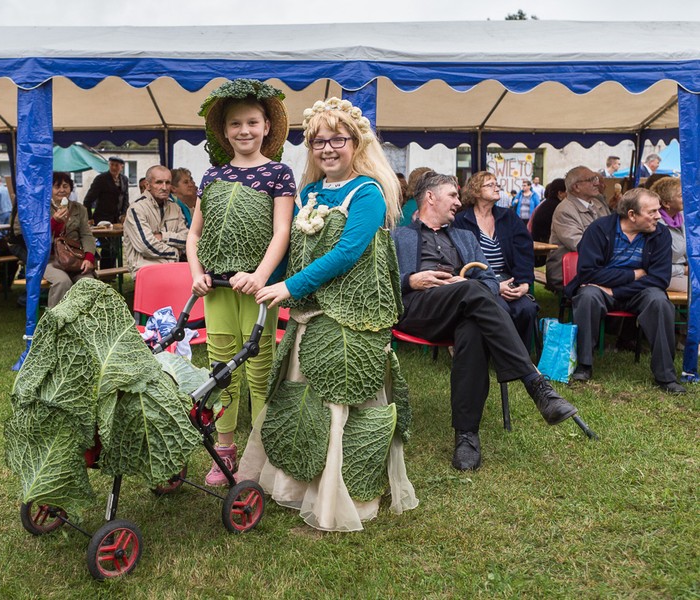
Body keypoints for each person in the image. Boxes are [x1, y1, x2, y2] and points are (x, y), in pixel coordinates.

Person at [242, 96, 418, 531]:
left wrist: (289, 287)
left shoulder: (369, 193)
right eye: (318, 141)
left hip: (350, 322)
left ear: (355, 143)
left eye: (337, 140)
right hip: (310, 317)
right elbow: (296, 251)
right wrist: (266, 278)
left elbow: (346, 253)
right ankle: (296, 487)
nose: (327, 149)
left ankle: (338, 500)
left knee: (340, 406)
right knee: (303, 402)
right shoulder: (309, 193)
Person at [392, 171, 579, 471]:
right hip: (418, 308)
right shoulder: (397, 236)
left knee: (473, 327)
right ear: (430, 197)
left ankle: (467, 437)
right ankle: (535, 384)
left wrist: (464, 284)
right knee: (470, 290)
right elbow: (380, 280)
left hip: (464, 308)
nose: (458, 201)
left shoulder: (464, 236)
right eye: (452, 195)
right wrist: (412, 279)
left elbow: (490, 280)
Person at [187, 79, 295, 488]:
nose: (244, 130)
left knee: (259, 365)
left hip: (256, 288)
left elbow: (281, 231)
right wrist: (195, 272)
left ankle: (262, 450)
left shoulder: (278, 174)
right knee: (221, 366)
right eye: (236, 124)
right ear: (225, 130)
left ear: (267, 126)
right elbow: (195, 233)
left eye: (252, 122)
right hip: (214, 287)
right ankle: (227, 448)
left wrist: (261, 276)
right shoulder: (212, 177)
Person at [566, 188, 685, 394]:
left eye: (658, 210)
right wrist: (634, 274)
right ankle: (584, 365)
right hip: (603, 289)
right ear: (632, 215)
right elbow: (587, 273)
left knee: (659, 301)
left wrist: (614, 290)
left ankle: (666, 376)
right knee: (587, 296)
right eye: (652, 212)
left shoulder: (660, 233)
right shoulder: (599, 229)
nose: (658, 216)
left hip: (638, 292)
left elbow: (659, 278)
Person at [454, 171, 539, 348]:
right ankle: (498, 354)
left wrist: (524, 284)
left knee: (527, 308)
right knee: (501, 308)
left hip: (508, 278)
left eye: (496, 183)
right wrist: (492, 285)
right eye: (490, 185)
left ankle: (520, 357)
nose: (496, 187)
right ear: (476, 192)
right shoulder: (462, 221)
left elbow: (524, 251)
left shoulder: (508, 217)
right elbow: (460, 259)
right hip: (478, 281)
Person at [545, 166, 611, 292]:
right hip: (570, 272)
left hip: (597, 267)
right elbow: (580, 244)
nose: (597, 183)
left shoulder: (598, 204)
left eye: (596, 178)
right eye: (591, 179)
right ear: (576, 187)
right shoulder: (565, 210)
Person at [40, 172, 96, 307]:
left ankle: (82, 322)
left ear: (71, 188)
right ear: (49, 189)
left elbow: (86, 235)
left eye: (65, 186)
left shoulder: (79, 209)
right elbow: (39, 239)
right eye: (57, 186)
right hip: (50, 260)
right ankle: (56, 322)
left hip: (75, 259)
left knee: (89, 282)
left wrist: (88, 258)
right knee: (63, 282)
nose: (62, 190)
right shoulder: (42, 208)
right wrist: (54, 222)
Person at [122, 165, 188, 276]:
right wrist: (176, 252)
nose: (164, 187)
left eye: (168, 182)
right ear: (147, 185)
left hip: (172, 267)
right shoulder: (137, 209)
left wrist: (163, 237)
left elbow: (187, 239)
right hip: (146, 271)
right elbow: (146, 246)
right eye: (159, 182)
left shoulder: (175, 207)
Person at [84, 157, 129, 268]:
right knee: (106, 247)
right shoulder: (101, 179)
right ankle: (105, 273)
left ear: (121, 167)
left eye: (116, 165)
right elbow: (87, 200)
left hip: (116, 220)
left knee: (115, 246)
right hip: (101, 219)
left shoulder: (124, 179)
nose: (113, 167)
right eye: (111, 164)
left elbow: (125, 198)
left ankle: (111, 273)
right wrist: (89, 217)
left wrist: (123, 214)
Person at [650, 177, 687, 293]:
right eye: (681, 196)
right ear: (666, 203)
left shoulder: (683, 217)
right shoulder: (655, 225)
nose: (686, 197)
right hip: (666, 275)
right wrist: (684, 269)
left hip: (684, 272)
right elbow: (654, 267)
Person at [529, 177, 566, 244]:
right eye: (567, 192)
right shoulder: (558, 207)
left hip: (537, 241)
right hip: (546, 244)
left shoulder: (545, 204)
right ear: (560, 193)